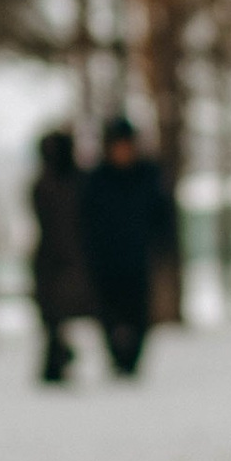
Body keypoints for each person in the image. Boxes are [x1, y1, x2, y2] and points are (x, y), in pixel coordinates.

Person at [79, 114, 176, 379]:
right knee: (108, 314)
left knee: (139, 314)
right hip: (105, 260)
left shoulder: (148, 175)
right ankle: (116, 359)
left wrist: (164, 246)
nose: (123, 151)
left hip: (138, 258)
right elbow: (85, 220)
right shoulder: (97, 180)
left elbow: (162, 216)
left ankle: (132, 362)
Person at [29, 127, 91, 386]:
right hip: (52, 259)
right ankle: (56, 361)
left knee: (60, 315)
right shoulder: (43, 185)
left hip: (67, 259)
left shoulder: (69, 183)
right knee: (52, 318)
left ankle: (58, 360)